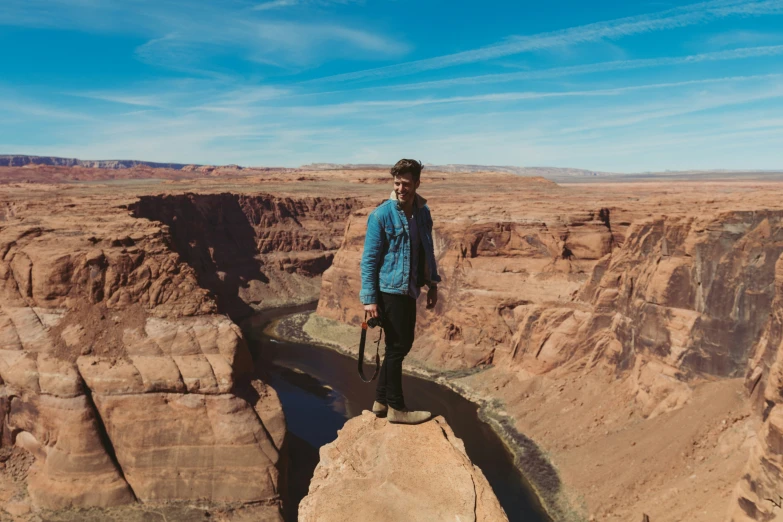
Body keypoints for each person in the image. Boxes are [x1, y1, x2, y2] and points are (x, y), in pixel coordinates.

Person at [360, 159, 441, 425]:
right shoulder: (381, 215)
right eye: (397, 183)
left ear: (417, 183)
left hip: (410, 288)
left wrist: (432, 283)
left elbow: (426, 251)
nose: (400, 189)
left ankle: (381, 401)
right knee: (398, 347)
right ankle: (397, 408)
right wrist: (369, 299)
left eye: (406, 184)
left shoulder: (422, 212)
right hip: (389, 289)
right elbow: (369, 260)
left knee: (398, 346)